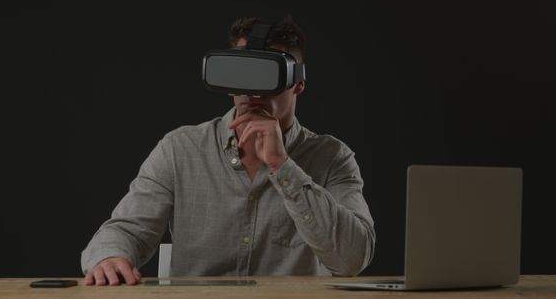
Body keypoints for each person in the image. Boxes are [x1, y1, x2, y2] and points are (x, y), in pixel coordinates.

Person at [81, 16, 375, 286]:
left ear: (297, 83)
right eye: (241, 73)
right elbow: (126, 229)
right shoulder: (180, 149)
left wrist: (282, 166)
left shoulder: (332, 157)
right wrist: (108, 256)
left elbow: (352, 259)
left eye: (267, 75)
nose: (252, 92)